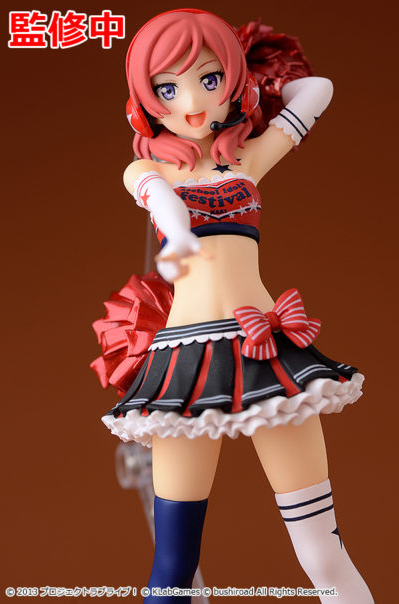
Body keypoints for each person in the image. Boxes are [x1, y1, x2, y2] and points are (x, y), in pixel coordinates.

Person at [96, 9, 374, 603]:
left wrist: (253, 74)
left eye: (209, 79)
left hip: (266, 348)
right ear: (145, 99)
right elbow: (160, 201)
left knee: (323, 550)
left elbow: (317, 90)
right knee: (173, 567)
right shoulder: (147, 168)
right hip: (186, 363)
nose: (193, 103)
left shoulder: (248, 159)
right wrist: (177, 236)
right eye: (168, 88)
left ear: (232, 81)